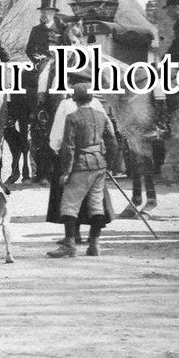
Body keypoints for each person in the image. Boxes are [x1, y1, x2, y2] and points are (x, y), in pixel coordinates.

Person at [49, 83, 119, 258]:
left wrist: (66, 172)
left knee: (69, 205)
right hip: (99, 165)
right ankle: (95, 245)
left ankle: (70, 245)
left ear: (75, 100)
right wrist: (109, 162)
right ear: (91, 98)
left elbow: (69, 148)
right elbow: (112, 141)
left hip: (80, 166)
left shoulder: (72, 117)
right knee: (96, 205)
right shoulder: (101, 115)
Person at [25, 0, 70, 66]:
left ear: (53, 13)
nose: (44, 15)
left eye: (47, 13)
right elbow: (29, 50)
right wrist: (37, 60)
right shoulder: (36, 30)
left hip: (60, 64)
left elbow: (70, 48)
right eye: (42, 12)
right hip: (41, 65)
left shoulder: (63, 28)